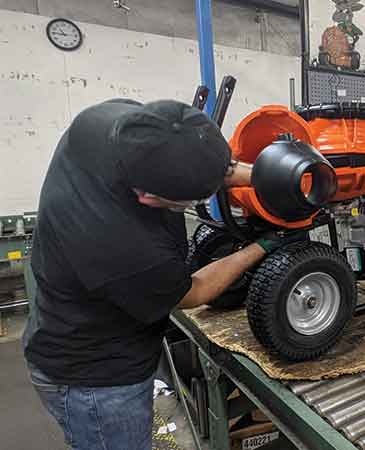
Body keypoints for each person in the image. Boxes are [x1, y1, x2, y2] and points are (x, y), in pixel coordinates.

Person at [22, 99, 294, 450]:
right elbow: (192, 293)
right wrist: (266, 245)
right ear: (150, 198)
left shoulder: (109, 122)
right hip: (96, 379)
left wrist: (273, 176)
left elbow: (197, 156)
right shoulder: (122, 245)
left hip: (67, 326)